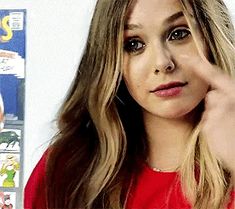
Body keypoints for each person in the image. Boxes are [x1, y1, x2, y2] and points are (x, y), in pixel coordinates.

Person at [24, 0, 235, 208]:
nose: (162, 62)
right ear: (109, 59)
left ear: (213, 38)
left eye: (179, 33)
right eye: (134, 44)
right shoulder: (65, 171)